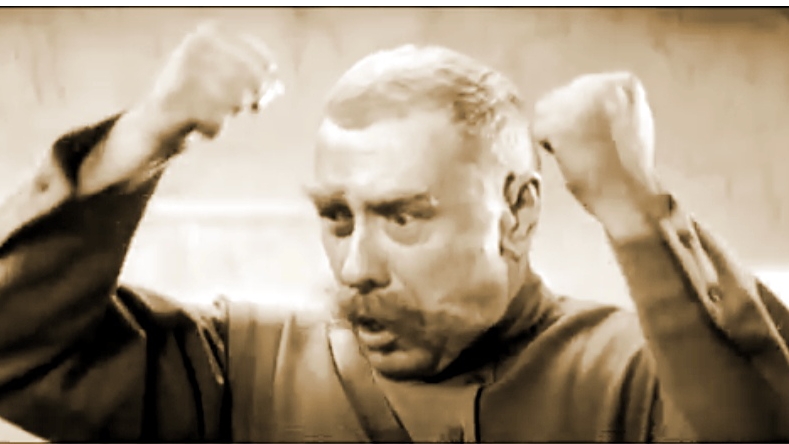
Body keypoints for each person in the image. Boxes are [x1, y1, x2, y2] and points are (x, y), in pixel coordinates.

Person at [0, 24, 786, 443]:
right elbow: (17, 351)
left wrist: (633, 210)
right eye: (335, 217)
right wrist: (137, 142)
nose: (355, 268)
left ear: (516, 214)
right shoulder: (243, 370)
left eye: (402, 215)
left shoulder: (638, 374)